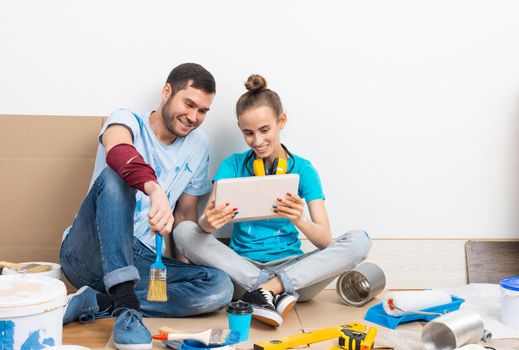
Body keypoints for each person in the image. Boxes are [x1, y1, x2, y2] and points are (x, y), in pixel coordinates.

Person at [174, 74, 372, 328]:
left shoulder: (303, 169)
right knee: (183, 230)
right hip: (241, 270)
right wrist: (208, 223)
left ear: (282, 122)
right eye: (248, 133)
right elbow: (202, 225)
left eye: (265, 130)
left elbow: (324, 240)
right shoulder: (232, 165)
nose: (257, 141)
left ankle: (269, 289)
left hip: (294, 273)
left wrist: (299, 219)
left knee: (361, 240)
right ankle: (267, 292)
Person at [59, 63, 233, 350]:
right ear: (167, 92)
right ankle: (127, 309)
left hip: (139, 258)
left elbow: (185, 215)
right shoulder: (126, 119)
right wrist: (154, 189)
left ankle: (101, 301)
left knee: (219, 287)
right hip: (88, 252)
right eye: (188, 104)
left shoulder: (199, 145)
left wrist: (181, 267)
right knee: (117, 177)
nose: (193, 117)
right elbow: (118, 152)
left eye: (202, 111)